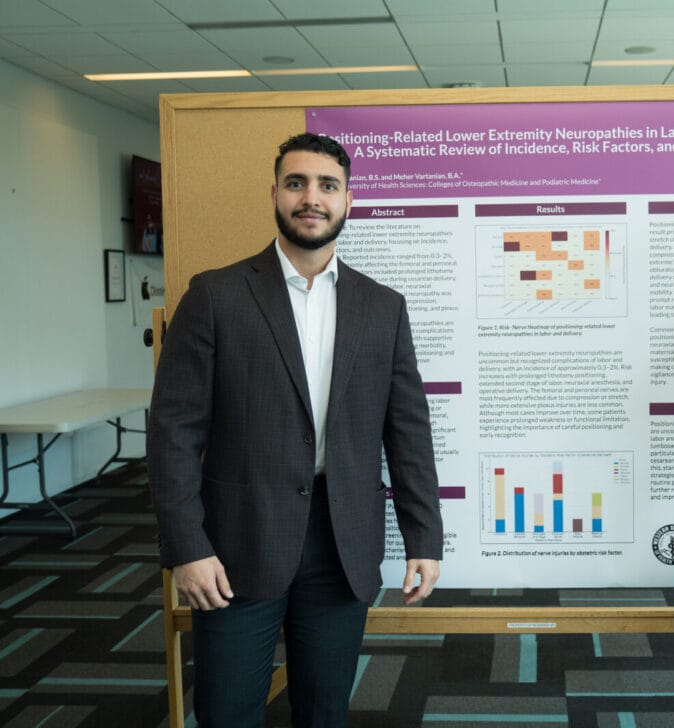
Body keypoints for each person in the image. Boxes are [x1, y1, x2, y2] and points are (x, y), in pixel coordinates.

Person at [147, 132, 443, 727]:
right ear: (275, 194)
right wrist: (187, 547)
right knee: (226, 713)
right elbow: (172, 432)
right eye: (297, 183)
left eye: (327, 185)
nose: (312, 197)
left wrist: (424, 537)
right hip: (236, 545)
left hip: (342, 542)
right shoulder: (215, 295)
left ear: (348, 200)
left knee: (325, 711)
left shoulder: (383, 307)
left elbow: (408, 431)